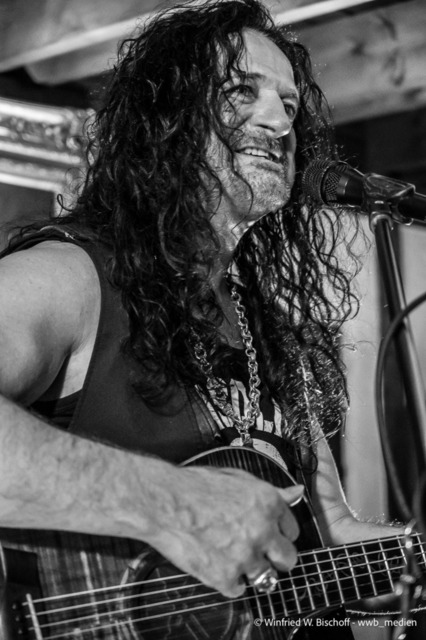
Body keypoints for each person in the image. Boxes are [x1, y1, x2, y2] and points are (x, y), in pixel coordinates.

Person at [0, 0, 405, 633]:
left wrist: (405, 566)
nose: (279, 122)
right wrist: (174, 503)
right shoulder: (71, 277)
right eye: (242, 91)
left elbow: (330, 538)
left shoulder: (274, 334)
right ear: (166, 117)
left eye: (290, 105)